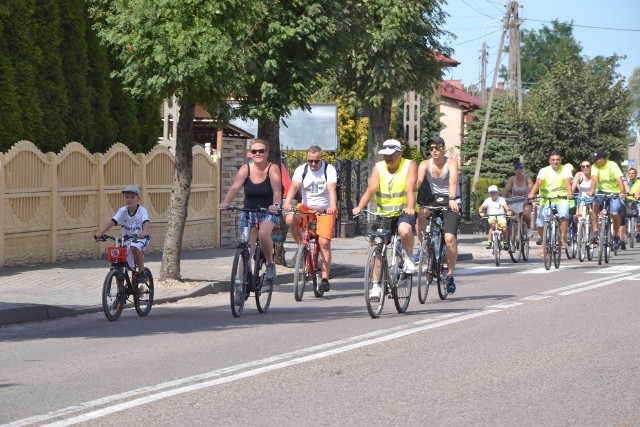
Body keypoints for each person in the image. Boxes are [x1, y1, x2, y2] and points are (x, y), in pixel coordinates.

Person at [352, 139, 417, 301]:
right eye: (385, 154)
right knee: (377, 246)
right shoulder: (379, 168)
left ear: (399, 153)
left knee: (404, 230)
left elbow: (410, 188)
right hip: (384, 214)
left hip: (403, 211)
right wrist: (359, 207)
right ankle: (375, 286)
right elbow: (371, 189)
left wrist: (410, 207)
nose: (387, 157)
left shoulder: (409, 165)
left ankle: (409, 258)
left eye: (391, 154)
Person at [219, 139, 282, 281]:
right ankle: (240, 284)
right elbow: (234, 187)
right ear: (250, 153)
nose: (258, 154)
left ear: (267, 153)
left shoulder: (272, 168)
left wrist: (276, 205)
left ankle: (270, 262)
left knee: (264, 233)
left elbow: (277, 191)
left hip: (268, 211)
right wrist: (226, 203)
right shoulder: (245, 168)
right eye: (254, 151)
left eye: (261, 151)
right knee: (246, 248)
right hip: (249, 212)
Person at [283, 146, 338, 292]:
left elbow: (332, 189)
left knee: (324, 242)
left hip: (324, 209)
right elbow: (294, 187)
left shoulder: (329, 170)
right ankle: (302, 247)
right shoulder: (302, 169)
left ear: (321, 159)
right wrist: (288, 203)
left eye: (316, 161)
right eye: (310, 161)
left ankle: (325, 278)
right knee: (290, 219)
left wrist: (332, 206)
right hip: (306, 208)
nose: (313, 164)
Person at [416, 135, 462, 294]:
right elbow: (418, 182)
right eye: (431, 148)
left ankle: (450, 274)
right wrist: (409, 193)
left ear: (443, 148)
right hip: (434, 200)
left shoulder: (452, 163)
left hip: (451, 200)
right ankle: (423, 247)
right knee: (421, 214)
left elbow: (453, 182)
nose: (434, 151)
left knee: (449, 238)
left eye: (437, 148)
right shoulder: (425, 164)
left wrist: (452, 199)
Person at [95, 184, 151, 283]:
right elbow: (113, 221)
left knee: (134, 246)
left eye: (132, 197)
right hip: (127, 239)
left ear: (139, 199)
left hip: (141, 239)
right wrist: (101, 232)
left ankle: (142, 272)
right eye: (127, 197)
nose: (129, 199)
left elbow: (146, 222)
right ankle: (120, 292)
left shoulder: (142, 211)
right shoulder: (122, 211)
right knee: (118, 261)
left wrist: (143, 232)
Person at [527, 150, 573, 253]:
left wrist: (569, 192)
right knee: (540, 223)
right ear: (549, 161)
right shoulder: (544, 170)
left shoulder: (565, 169)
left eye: (557, 159)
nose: (555, 162)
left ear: (561, 160)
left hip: (561, 199)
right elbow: (538, 182)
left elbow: (568, 182)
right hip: (546, 200)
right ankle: (545, 242)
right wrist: (532, 193)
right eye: (553, 160)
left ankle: (562, 240)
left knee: (564, 214)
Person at [589, 148, 625, 250]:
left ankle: (616, 235)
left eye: (597, 159)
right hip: (601, 192)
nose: (595, 161)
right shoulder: (595, 166)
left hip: (614, 193)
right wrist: (592, 190)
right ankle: (596, 231)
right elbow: (594, 179)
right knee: (594, 207)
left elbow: (619, 180)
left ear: (603, 159)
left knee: (614, 213)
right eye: (594, 160)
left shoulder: (612, 165)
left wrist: (622, 191)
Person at [502, 162, 533, 235]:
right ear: (514, 171)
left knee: (526, 213)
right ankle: (511, 231)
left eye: (520, 169)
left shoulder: (527, 178)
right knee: (509, 214)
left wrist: (532, 195)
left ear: (523, 170)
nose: (519, 171)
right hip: (515, 201)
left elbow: (532, 187)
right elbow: (506, 188)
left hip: (526, 200)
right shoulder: (512, 179)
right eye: (516, 169)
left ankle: (528, 228)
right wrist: (503, 198)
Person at [479, 185, 512, 249]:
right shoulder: (488, 200)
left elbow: (505, 206)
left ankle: (505, 242)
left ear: (497, 192)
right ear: (489, 194)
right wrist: (481, 212)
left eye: (494, 192)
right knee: (493, 225)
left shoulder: (501, 199)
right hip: (491, 216)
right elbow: (481, 207)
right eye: (491, 193)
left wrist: (508, 211)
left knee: (504, 227)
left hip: (501, 216)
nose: (493, 194)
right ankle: (489, 241)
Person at [572, 159, 594, 223]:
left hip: (594, 198)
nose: (585, 168)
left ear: (591, 167)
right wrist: (570, 193)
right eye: (583, 166)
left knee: (593, 216)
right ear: (581, 168)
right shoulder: (579, 174)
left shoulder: (594, 175)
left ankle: (594, 232)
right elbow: (574, 185)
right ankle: (579, 231)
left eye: (587, 166)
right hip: (582, 199)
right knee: (579, 217)